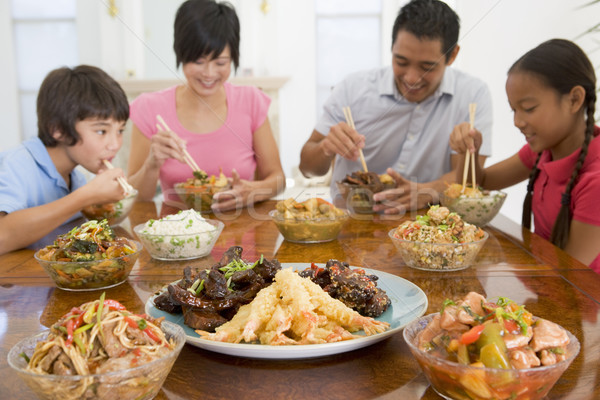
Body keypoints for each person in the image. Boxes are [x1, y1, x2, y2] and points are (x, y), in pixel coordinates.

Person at [299, 0, 493, 214]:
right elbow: (307, 169)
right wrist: (326, 147)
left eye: (427, 67)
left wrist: (428, 190)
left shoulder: (472, 95)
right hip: (352, 224)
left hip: (430, 227)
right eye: (401, 62)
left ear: (452, 55)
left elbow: (466, 176)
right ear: (392, 48)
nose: (411, 78)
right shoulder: (353, 89)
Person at [450, 39, 600, 273]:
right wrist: (468, 151)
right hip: (545, 287)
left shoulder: (595, 181)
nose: (517, 122)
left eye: (529, 108)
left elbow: (571, 278)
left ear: (574, 99)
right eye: (514, 110)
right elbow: (478, 184)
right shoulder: (541, 152)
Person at [127, 0, 285, 212]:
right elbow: (136, 199)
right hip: (176, 238)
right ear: (181, 55)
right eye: (199, 62)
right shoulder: (150, 108)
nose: (209, 73)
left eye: (220, 63)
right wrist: (152, 164)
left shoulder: (251, 100)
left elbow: (278, 179)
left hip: (240, 236)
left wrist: (253, 191)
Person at [0, 65, 130, 254]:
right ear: (57, 129)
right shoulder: (16, 164)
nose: (115, 144)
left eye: (120, 131)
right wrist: (87, 196)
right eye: (101, 131)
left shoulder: (75, 177)